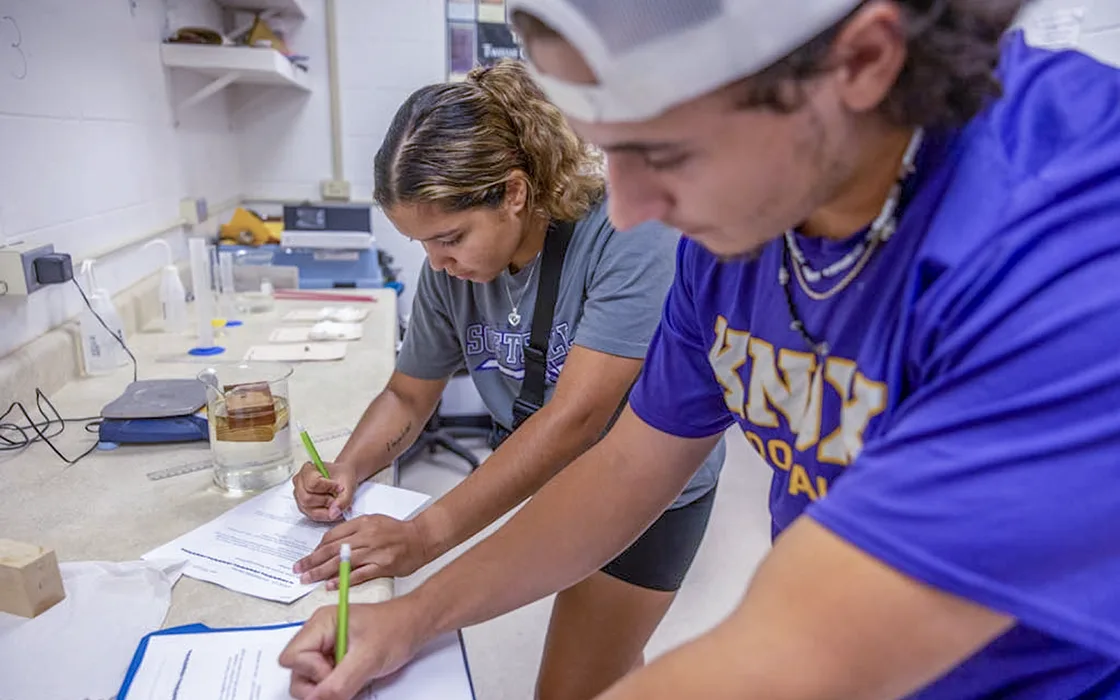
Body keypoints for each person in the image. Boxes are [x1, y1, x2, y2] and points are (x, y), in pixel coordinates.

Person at [281, 1, 1120, 698]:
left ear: (862, 60)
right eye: (614, 148)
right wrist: (413, 616)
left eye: (666, 150)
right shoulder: (739, 233)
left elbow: (803, 650)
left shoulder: (1074, 232)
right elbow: (623, 474)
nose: (634, 208)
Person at [287, 59, 726, 700]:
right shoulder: (450, 271)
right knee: (607, 665)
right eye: (423, 245)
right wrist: (347, 468)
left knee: (571, 684)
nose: (437, 264)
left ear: (513, 193)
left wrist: (426, 534)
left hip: (648, 489)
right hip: (559, 477)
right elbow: (410, 393)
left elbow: (572, 421)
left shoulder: (627, 234)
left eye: (451, 238)